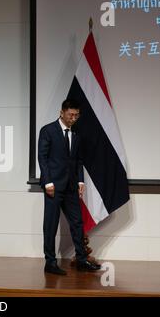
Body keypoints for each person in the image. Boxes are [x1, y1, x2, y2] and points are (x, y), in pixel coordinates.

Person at [38, 100, 100, 275]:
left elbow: (78, 160)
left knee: (77, 223)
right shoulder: (48, 130)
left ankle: (81, 259)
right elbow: (42, 158)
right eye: (70, 115)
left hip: (71, 186)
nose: (73, 118)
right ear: (62, 112)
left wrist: (80, 181)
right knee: (50, 225)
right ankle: (50, 263)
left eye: (76, 115)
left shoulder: (77, 134)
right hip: (53, 187)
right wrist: (48, 182)